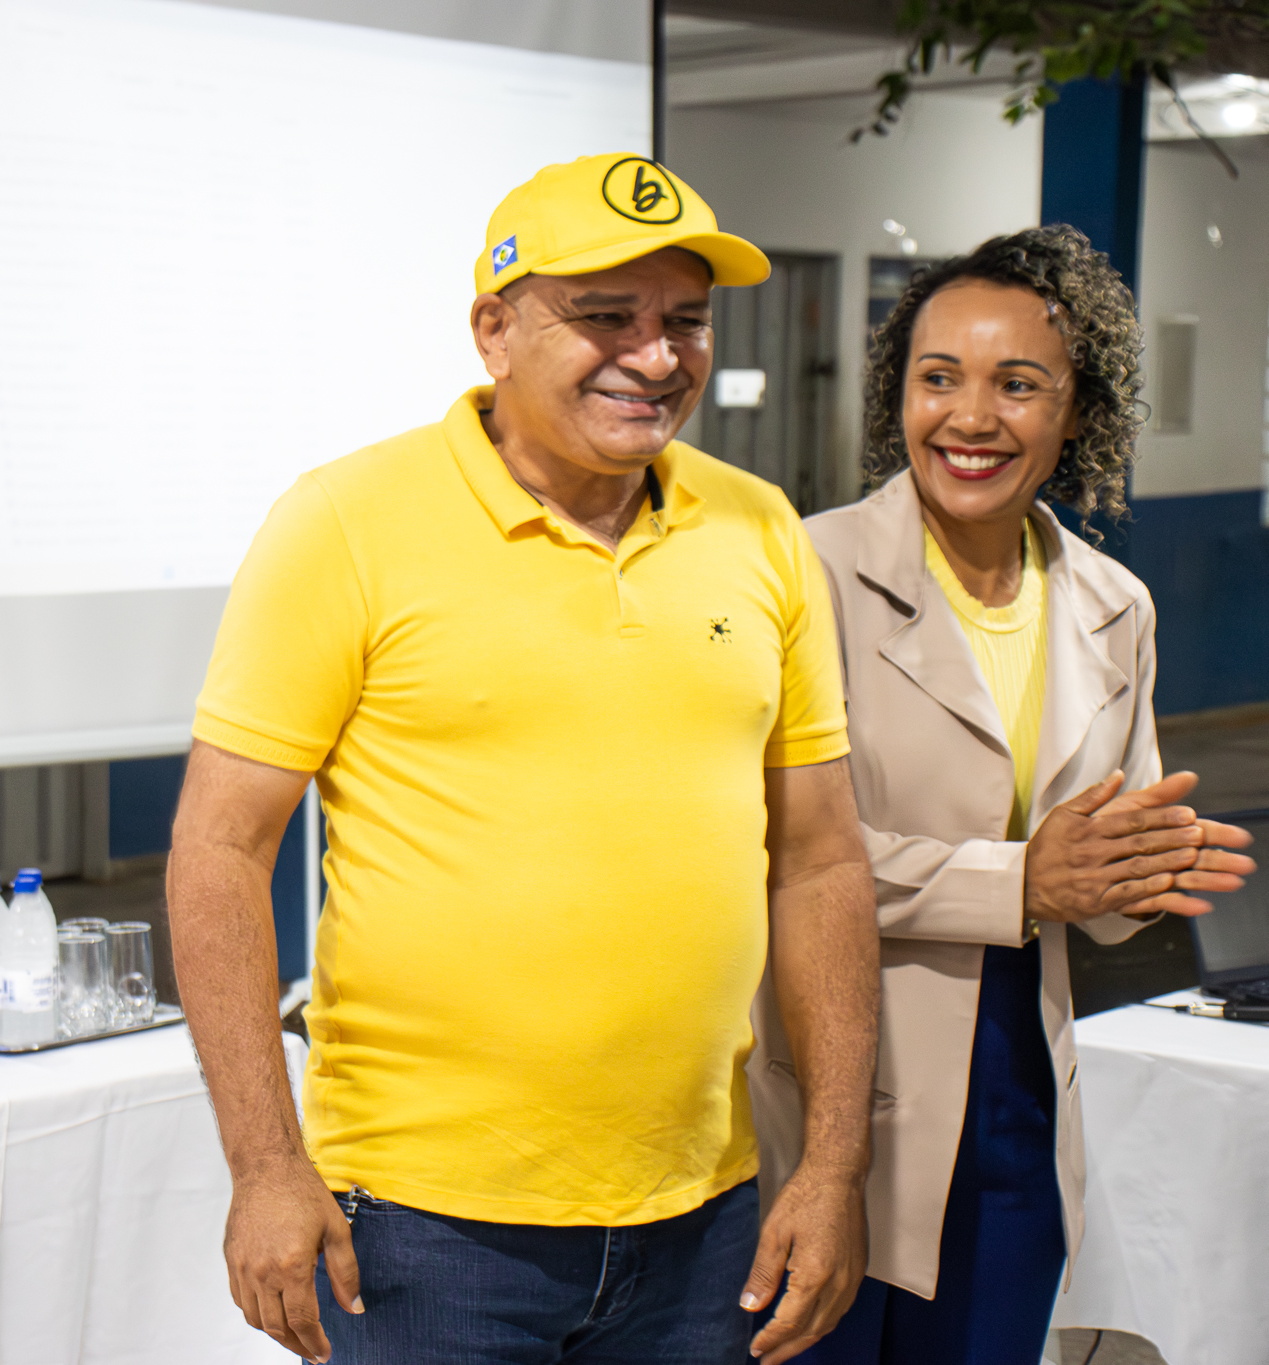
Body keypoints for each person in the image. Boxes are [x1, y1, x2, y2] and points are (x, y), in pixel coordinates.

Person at [169, 152, 881, 1365]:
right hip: (419, 1228)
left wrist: (830, 1166)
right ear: (493, 332)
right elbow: (219, 847)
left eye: (684, 320)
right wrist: (265, 1166)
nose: (654, 357)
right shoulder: (345, 522)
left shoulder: (757, 526)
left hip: (704, 1215)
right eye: (604, 316)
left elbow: (818, 862)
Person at [748, 225, 1254, 1364]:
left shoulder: (1114, 604)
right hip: (824, 1093)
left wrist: (1138, 875)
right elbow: (770, 853)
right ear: (898, 394)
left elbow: (1096, 888)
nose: (969, 418)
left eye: (1017, 385)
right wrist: (1020, 881)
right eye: (939, 378)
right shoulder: (800, 573)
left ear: (1078, 411)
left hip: (1016, 1094)